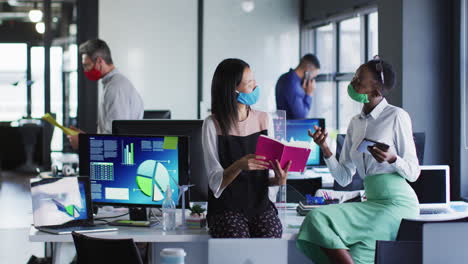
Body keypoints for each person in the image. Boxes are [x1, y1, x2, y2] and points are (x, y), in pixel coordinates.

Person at [296, 56, 420, 264]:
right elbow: (344, 177)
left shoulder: (397, 116)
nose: (352, 83)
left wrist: (393, 158)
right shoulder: (355, 123)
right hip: (371, 201)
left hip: (396, 204)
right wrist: (325, 149)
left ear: (377, 88)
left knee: (318, 218)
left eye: (358, 80)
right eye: (354, 77)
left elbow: (414, 173)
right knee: (325, 228)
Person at [202, 58, 292, 238]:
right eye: (249, 83)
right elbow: (214, 182)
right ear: (232, 90)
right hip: (226, 208)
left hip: (259, 206)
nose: (255, 85)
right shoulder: (212, 124)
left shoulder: (264, 119)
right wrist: (239, 166)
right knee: (236, 235)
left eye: (254, 80)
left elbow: (264, 178)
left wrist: (279, 180)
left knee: (271, 234)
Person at [68, 39, 144, 149]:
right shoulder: (112, 84)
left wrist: (83, 142)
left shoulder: (115, 88)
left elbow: (116, 140)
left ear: (99, 61)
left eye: (87, 65)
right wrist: (84, 137)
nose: (85, 70)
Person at [275, 54, 320, 119]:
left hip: (283, 126)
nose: (312, 80)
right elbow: (301, 116)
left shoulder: (284, 78)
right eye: (313, 76)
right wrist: (309, 94)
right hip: (291, 127)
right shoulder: (292, 84)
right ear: (308, 71)